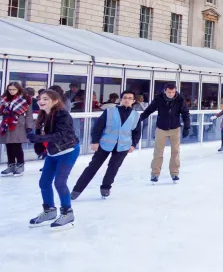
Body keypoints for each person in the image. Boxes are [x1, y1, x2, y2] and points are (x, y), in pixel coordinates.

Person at [71, 90, 142, 199]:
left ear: (133, 101)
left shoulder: (136, 116)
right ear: (121, 99)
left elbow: (137, 132)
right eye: (125, 97)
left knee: (113, 168)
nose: (127, 100)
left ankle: (106, 188)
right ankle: (77, 190)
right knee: (92, 167)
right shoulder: (110, 111)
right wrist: (95, 141)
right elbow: (98, 127)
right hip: (105, 144)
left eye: (129, 98)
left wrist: (133, 144)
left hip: (123, 146)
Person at [26, 89, 80, 229]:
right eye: (40, 98)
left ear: (55, 101)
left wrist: (40, 138)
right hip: (53, 152)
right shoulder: (43, 115)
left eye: (45, 99)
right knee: (44, 182)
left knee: (60, 182)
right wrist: (39, 145)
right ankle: (49, 210)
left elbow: (61, 134)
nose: (41, 101)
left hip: (68, 150)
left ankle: (67, 213)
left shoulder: (63, 115)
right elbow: (41, 133)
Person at [139, 83, 191, 183]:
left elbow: (185, 113)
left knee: (175, 152)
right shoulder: (159, 98)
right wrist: (140, 119)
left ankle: (174, 173)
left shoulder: (180, 99)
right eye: (169, 92)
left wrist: (187, 127)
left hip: (175, 128)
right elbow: (149, 110)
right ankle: (155, 174)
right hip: (161, 128)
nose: (171, 94)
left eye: (173, 92)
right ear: (165, 91)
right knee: (158, 151)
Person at [1, 81, 31, 177]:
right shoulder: (4, 99)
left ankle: (20, 165)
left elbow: (29, 115)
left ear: (18, 89)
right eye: (10, 89)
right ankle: (11, 165)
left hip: (18, 124)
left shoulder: (25, 99)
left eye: (14, 89)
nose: (11, 91)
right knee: (9, 145)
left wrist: (29, 126)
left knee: (17, 145)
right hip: (6, 123)